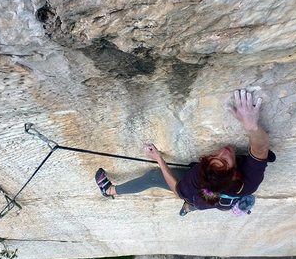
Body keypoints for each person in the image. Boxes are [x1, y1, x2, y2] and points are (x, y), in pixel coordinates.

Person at [95, 89, 275, 216]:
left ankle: (110, 190)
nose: (224, 151)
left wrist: (159, 159)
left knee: (155, 179)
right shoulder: (246, 183)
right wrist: (251, 126)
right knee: (200, 204)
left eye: (223, 160)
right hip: (219, 203)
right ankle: (187, 210)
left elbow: (178, 191)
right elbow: (260, 149)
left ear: (235, 175)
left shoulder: (196, 180)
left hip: (199, 198)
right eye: (218, 157)